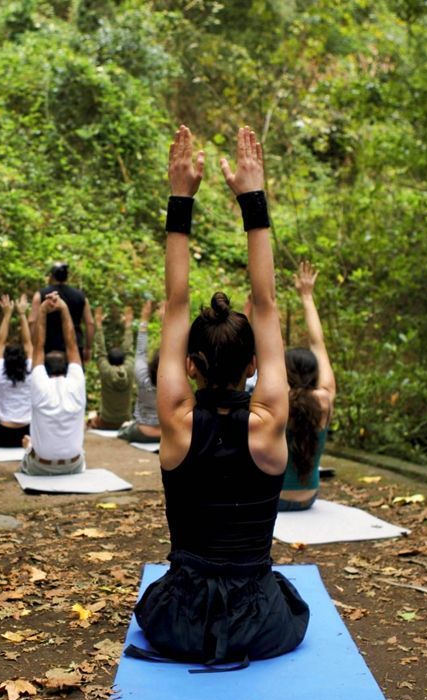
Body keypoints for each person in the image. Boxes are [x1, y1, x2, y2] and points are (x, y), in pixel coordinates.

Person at [132, 124, 309, 667]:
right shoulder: (270, 420)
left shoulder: (177, 419)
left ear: (189, 366)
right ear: (254, 364)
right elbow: (267, 301)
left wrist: (180, 197)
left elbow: (175, 303)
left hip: (179, 621)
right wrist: (251, 198)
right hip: (260, 622)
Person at [279, 261, 337, 511]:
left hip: (275, 501)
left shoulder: (278, 399)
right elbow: (318, 343)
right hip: (308, 499)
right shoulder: (324, 399)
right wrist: (307, 296)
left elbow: (267, 348)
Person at [19, 292, 87, 475]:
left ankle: (31, 446)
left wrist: (42, 311)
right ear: (66, 368)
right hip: (74, 465)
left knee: (27, 444)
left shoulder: (40, 385)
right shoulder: (76, 384)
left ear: (44, 371)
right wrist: (64, 309)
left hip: (40, 466)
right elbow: (72, 346)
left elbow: (38, 347)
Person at [0, 293, 35, 448]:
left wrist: (7, 315)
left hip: (3, 436)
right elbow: (28, 343)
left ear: (5, 358)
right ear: (24, 358)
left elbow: (0, 342)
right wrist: (22, 314)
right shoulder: (31, 370)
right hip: (27, 433)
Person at [32, 262, 95, 363]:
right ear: (67, 277)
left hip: (48, 347)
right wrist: (88, 348)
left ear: (51, 276)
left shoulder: (41, 295)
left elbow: (32, 321)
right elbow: (90, 323)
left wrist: (33, 346)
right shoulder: (80, 296)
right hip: (75, 347)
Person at [117, 299, 161, 443]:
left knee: (124, 429)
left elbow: (141, 351)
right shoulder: (174, 384)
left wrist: (144, 319)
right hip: (165, 433)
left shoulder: (143, 376)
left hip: (142, 432)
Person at [88, 304, 135, 430]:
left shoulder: (106, 370)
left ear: (108, 360)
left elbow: (100, 351)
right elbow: (129, 350)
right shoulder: (129, 369)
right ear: (124, 360)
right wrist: (128, 325)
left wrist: (98, 325)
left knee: (91, 416)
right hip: (125, 421)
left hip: (106, 421)